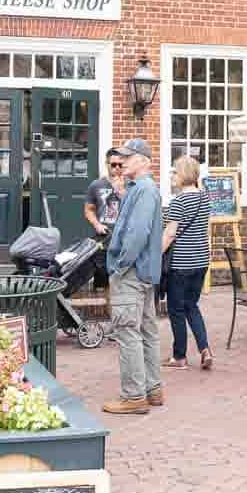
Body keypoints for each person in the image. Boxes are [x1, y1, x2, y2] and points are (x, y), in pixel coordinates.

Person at [103, 139, 164, 415]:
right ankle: (153, 389)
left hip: (131, 272)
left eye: (128, 157)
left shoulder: (144, 190)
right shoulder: (142, 189)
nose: (122, 162)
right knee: (147, 331)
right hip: (144, 272)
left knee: (128, 332)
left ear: (143, 160)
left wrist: (119, 264)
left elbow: (136, 234)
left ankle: (134, 396)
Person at [161, 155, 212, 371]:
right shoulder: (205, 198)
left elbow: (170, 234)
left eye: (175, 171)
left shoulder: (179, 201)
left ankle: (179, 356)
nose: (172, 175)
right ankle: (205, 349)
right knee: (192, 305)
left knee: (176, 309)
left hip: (180, 262)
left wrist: (156, 255)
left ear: (183, 175)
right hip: (201, 260)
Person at [85, 148, 124, 240]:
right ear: (107, 164)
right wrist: (97, 225)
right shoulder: (96, 185)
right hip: (105, 234)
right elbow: (89, 210)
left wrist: (121, 191)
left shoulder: (131, 185)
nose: (117, 167)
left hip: (124, 235)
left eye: (120, 164)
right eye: (114, 165)